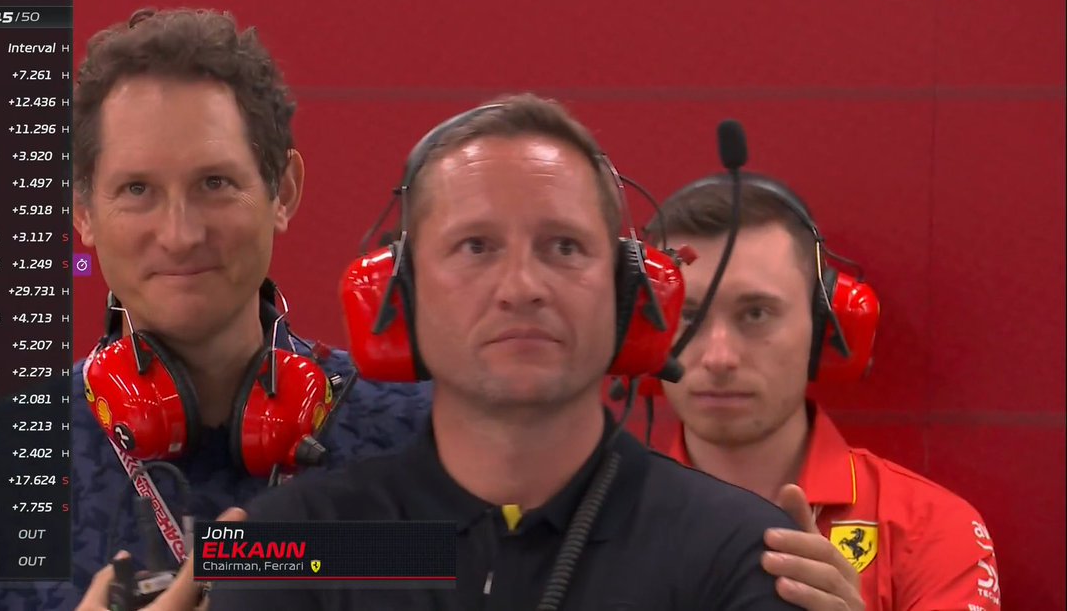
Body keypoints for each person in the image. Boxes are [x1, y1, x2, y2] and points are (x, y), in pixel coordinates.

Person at [0, 7, 432, 611]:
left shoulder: (421, 442)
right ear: (83, 213)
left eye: (215, 183)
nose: (180, 234)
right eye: (137, 189)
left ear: (283, 191)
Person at [207, 94, 804, 610]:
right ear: (401, 294)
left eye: (564, 247)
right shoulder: (285, 545)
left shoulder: (743, 551)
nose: (522, 288)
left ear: (629, 295)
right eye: (476, 247)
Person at [645, 173, 1002, 610]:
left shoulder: (929, 529)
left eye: (755, 313)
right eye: (688, 315)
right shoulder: (591, 523)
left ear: (825, 330)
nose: (719, 357)